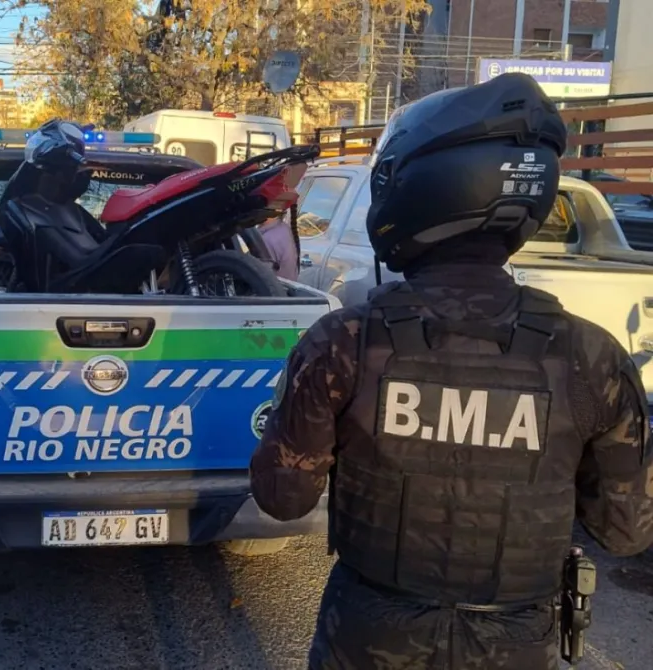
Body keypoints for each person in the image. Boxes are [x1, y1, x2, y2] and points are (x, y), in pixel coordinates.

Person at [249, 72, 653, 670]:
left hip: (367, 641)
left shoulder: (345, 343)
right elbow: (627, 530)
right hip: (518, 645)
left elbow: (282, 498)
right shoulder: (591, 358)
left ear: (414, 191)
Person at [258, 207, 299, 280]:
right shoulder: (284, 228)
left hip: (274, 288)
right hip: (286, 288)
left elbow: (260, 276)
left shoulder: (268, 239)